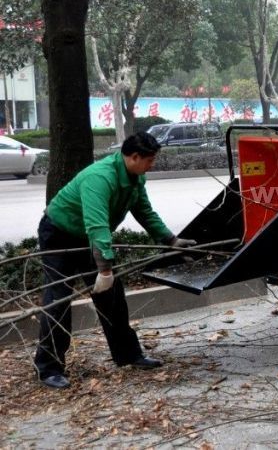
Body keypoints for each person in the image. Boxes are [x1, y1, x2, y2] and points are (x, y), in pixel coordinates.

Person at [34, 132, 196, 389]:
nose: (152, 165)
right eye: (150, 160)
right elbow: (97, 225)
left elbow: (144, 211)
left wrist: (171, 240)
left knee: (112, 297)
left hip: (90, 238)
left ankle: (128, 355)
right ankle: (48, 368)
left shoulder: (135, 177)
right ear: (134, 157)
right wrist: (105, 269)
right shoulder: (100, 178)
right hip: (59, 234)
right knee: (58, 300)